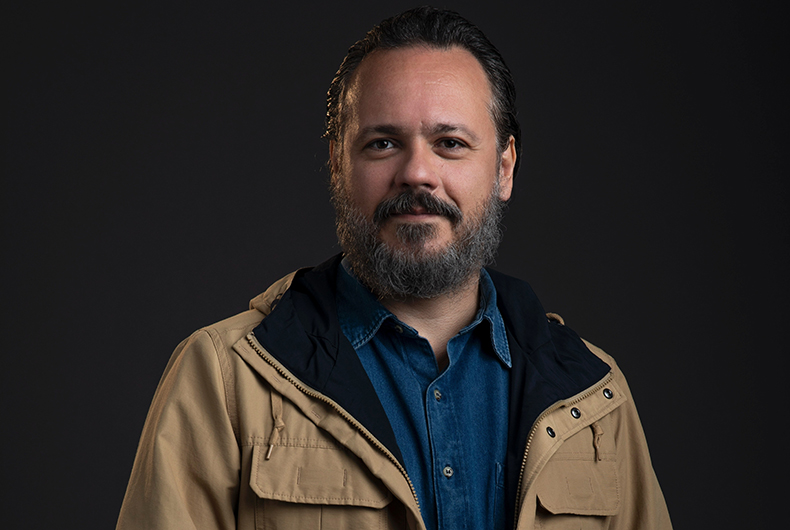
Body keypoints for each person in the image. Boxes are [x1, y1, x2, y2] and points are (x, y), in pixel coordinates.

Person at [116, 7, 671, 530]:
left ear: (504, 168)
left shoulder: (596, 398)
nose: (417, 173)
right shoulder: (222, 380)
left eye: (450, 143)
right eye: (383, 143)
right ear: (337, 164)